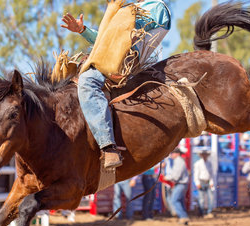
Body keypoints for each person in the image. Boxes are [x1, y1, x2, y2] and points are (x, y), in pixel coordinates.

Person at [61, 0, 171, 169]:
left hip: (124, 61)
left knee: (88, 82)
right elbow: (108, 39)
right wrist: (83, 30)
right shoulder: (130, 10)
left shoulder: (157, 7)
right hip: (110, 56)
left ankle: (108, 146)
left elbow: (122, 35)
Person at [165, 148, 190, 225]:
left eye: (172, 153)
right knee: (180, 201)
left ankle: (183, 217)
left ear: (177, 154)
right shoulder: (179, 161)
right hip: (181, 184)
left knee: (174, 200)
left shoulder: (178, 161)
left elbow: (176, 176)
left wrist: (166, 177)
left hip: (181, 184)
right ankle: (184, 217)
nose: (171, 154)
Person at [193, 149, 215, 218]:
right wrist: (197, 183)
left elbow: (211, 174)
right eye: (204, 155)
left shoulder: (209, 163)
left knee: (210, 198)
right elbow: (196, 174)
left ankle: (208, 212)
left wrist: (211, 182)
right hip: (201, 181)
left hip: (207, 181)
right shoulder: (198, 164)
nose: (205, 156)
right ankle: (202, 212)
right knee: (201, 199)